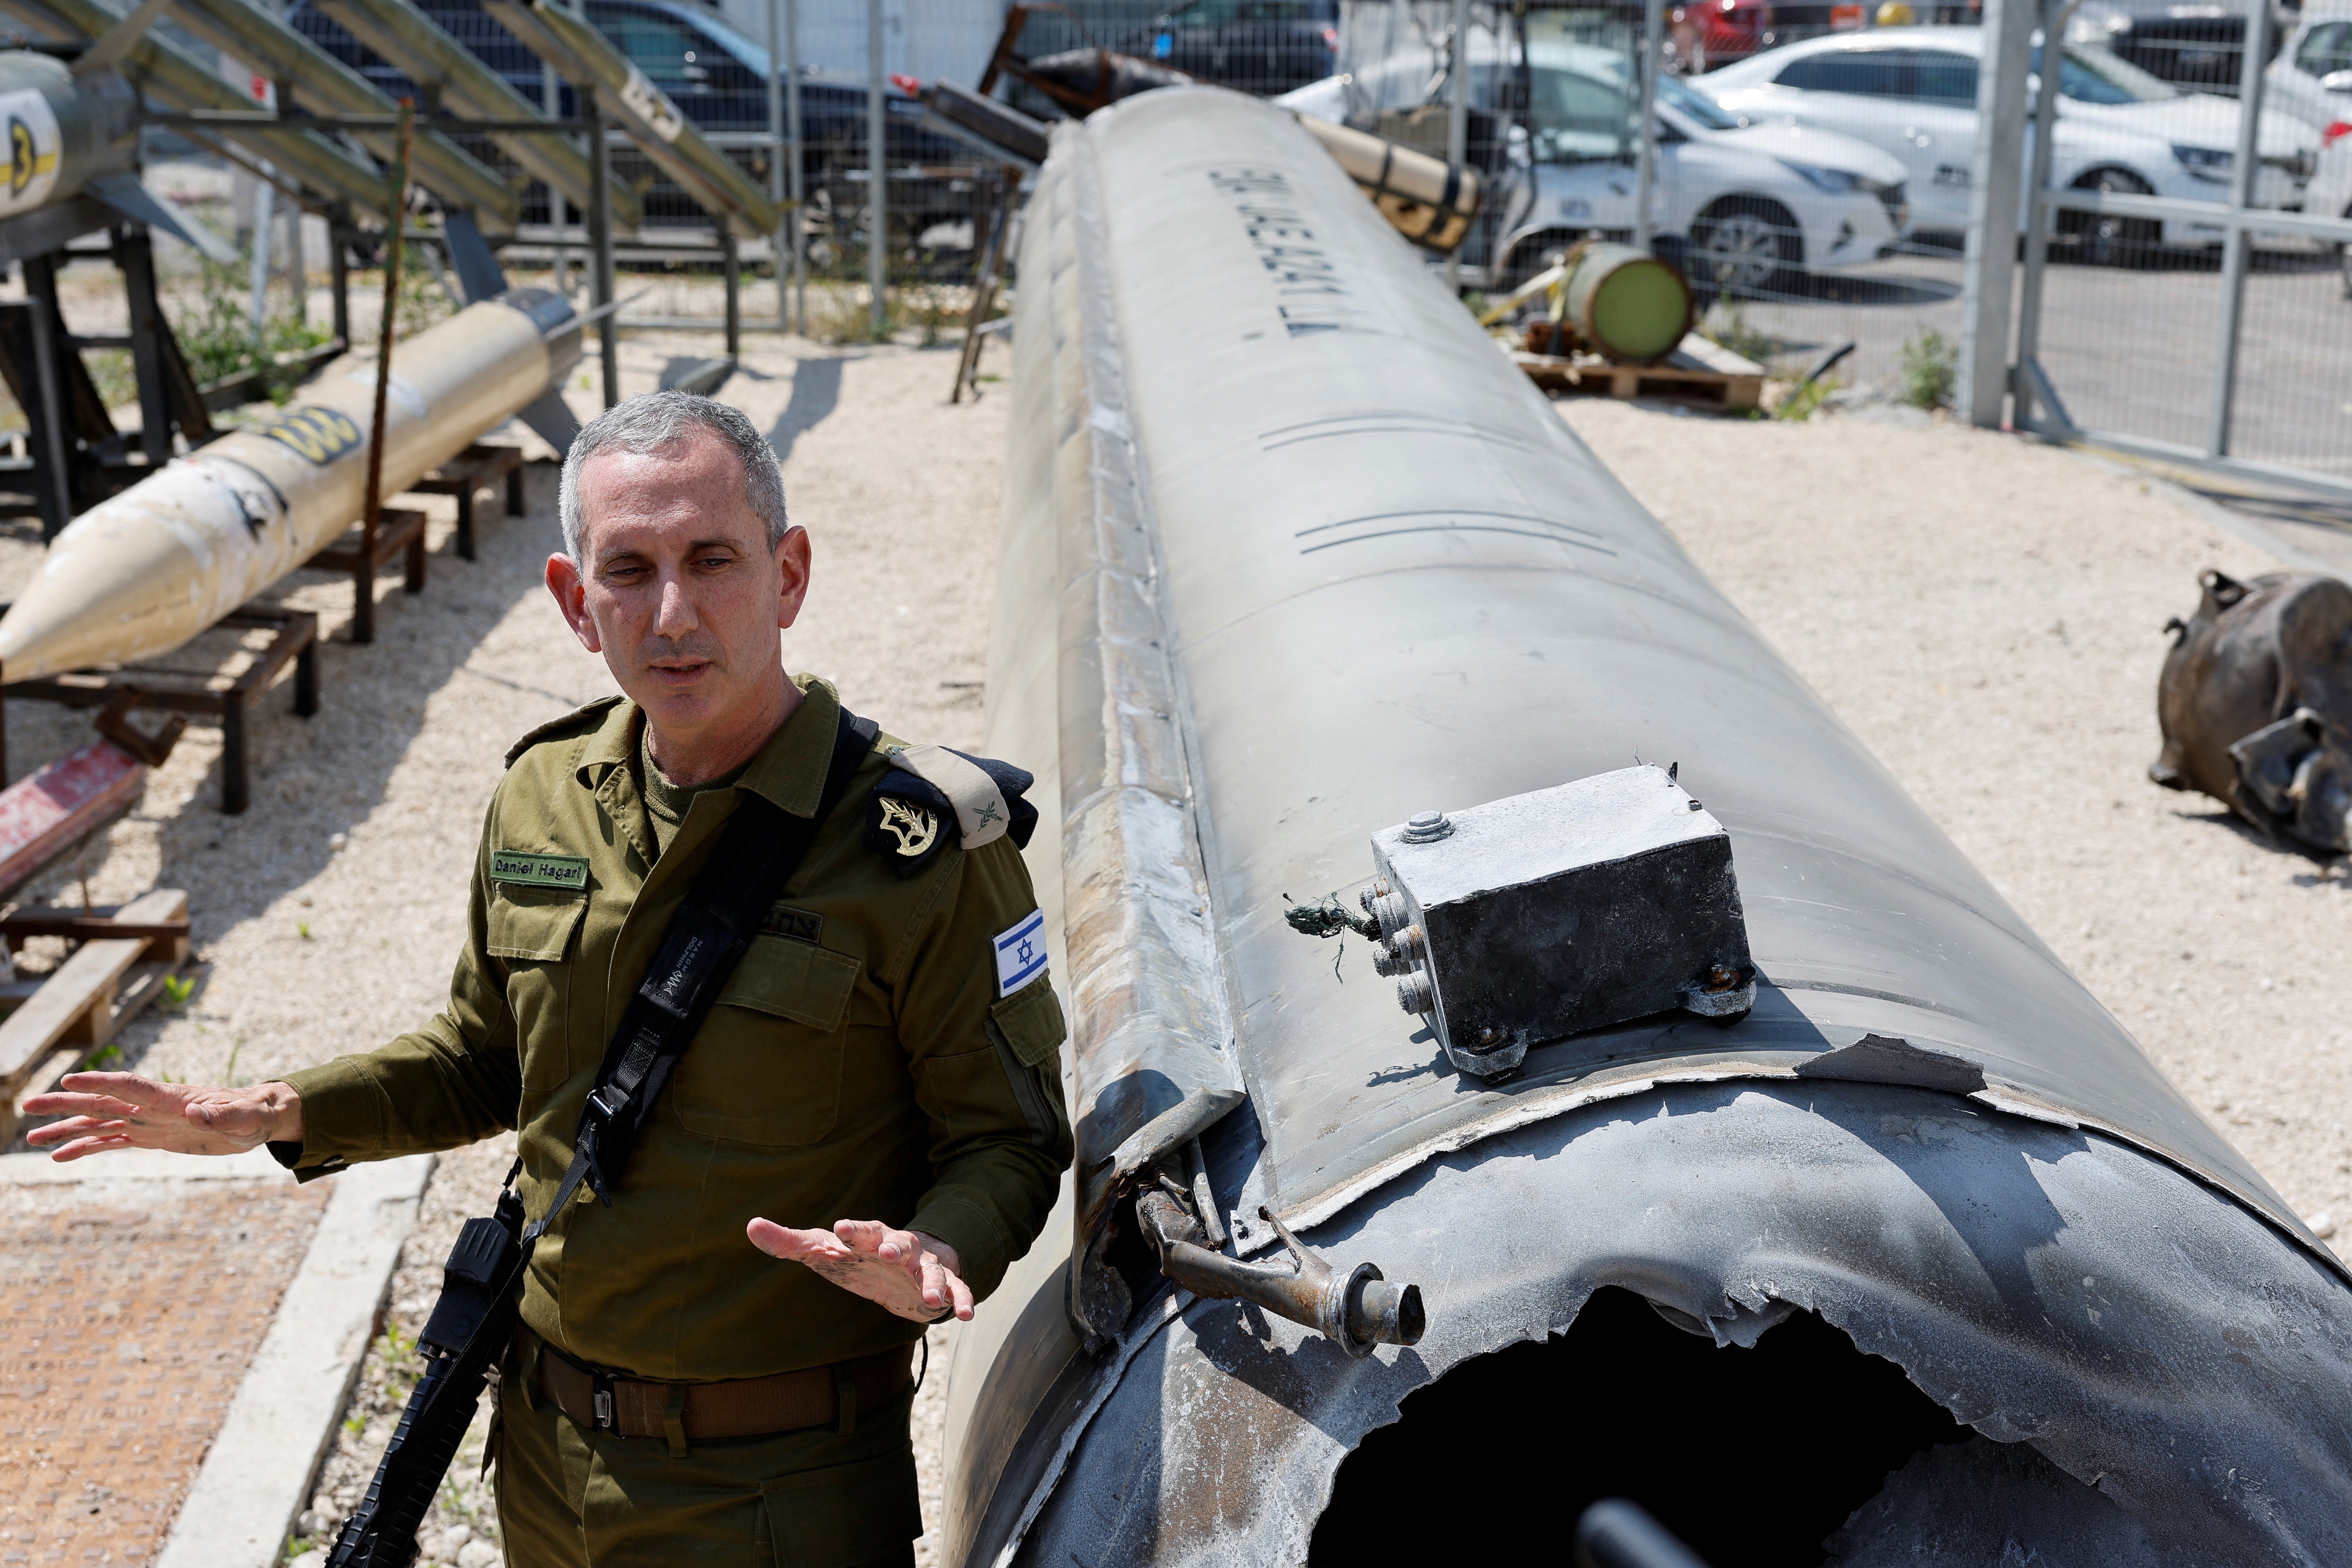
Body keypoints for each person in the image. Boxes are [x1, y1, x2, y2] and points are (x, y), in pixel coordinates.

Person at [25, 390, 1073, 1567]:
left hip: (782, 1497)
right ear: (577, 603)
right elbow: (485, 1058)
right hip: (541, 1459)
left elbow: (1011, 1136)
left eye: (710, 559)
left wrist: (939, 1255)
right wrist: (273, 1110)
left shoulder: (913, 847)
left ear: (787, 574)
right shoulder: (544, 795)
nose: (672, 612)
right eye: (627, 569)